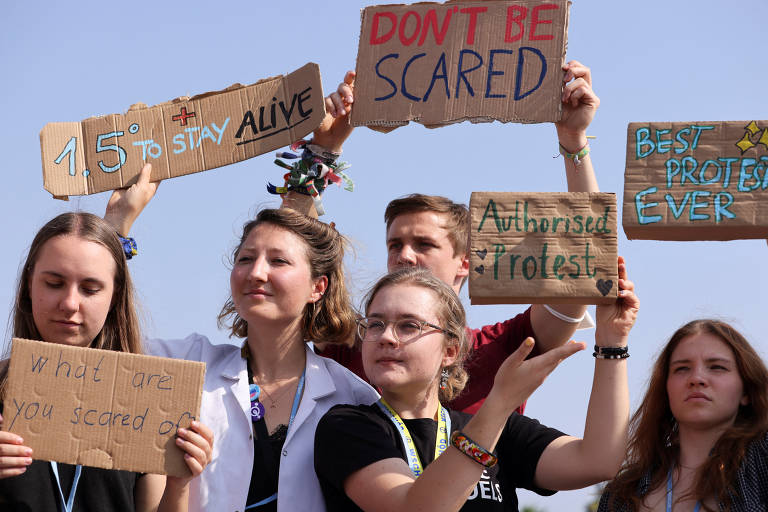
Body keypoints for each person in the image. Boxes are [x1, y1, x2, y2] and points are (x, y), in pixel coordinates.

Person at [298, 61, 602, 414]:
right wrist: (323, 149)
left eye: (424, 244)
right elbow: (286, 258)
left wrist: (573, 140)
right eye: (395, 245)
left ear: (465, 262)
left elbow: (583, 270)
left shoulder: (501, 348)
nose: (404, 256)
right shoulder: (355, 345)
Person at [105, 186, 379, 512]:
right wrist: (116, 226)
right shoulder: (187, 365)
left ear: (317, 287)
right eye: (245, 259)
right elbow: (104, 345)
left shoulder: (353, 398)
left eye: (278, 261)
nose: (256, 273)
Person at [314, 259, 639, 511]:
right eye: (375, 324)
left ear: (450, 351)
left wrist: (612, 342)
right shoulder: (346, 426)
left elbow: (599, 460)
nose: (386, 337)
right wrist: (499, 404)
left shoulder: (499, 431)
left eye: (409, 325)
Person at [0, 212, 212, 512]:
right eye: (54, 283)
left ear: (115, 297)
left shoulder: (144, 401)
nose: (70, 303)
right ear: (28, 285)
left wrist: (179, 483)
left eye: (90, 289)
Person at [598, 320, 768, 511]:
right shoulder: (620, 494)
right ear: (666, 389)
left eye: (717, 367)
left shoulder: (762, 461)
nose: (696, 378)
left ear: (747, 390)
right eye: (682, 368)